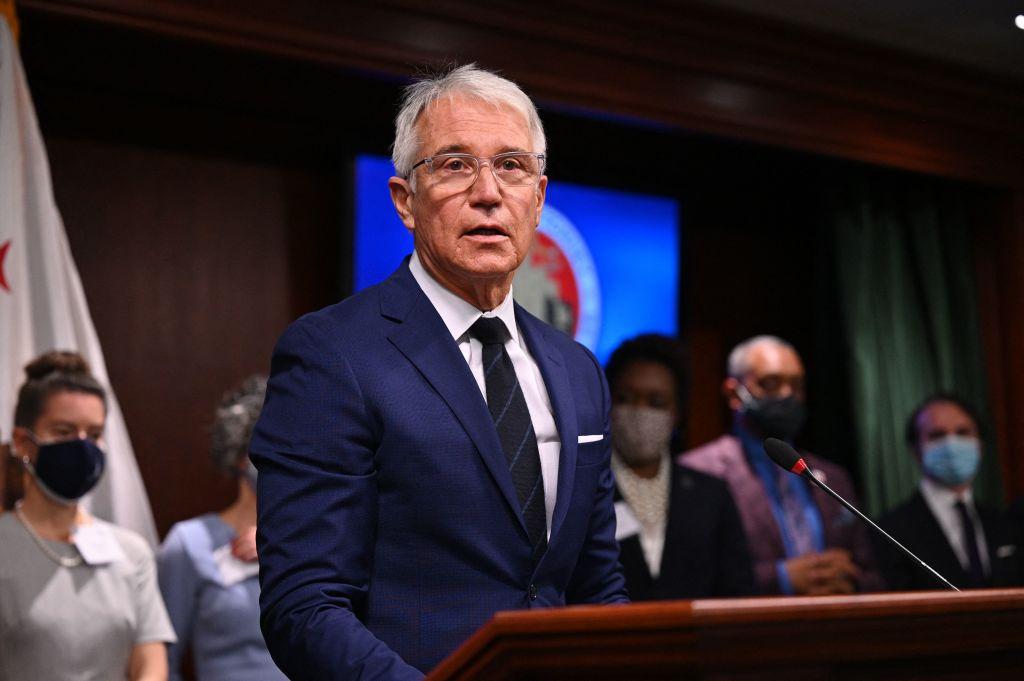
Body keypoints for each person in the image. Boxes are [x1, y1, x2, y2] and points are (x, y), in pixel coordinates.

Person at [250, 64, 627, 680]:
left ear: (538, 195)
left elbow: (596, 584)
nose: (487, 192)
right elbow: (305, 605)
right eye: (455, 165)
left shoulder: (578, 369)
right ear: (405, 201)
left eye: (511, 165)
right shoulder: (331, 353)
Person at [0, 350, 175, 680]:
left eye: (94, 434)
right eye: (64, 432)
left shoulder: (131, 551)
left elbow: (149, 658)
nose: (82, 447)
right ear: (23, 442)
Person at [680, 335, 882, 595]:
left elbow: (875, 574)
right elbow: (692, 577)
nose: (787, 395)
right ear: (733, 393)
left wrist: (849, 579)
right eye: (771, 383)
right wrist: (781, 578)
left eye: (796, 385)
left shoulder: (833, 478)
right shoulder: (697, 473)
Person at [605, 334, 755, 600]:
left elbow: (738, 590)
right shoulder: (585, 489)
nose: (640, 411)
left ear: (677, 414)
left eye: (656, 402)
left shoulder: (711, 495)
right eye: (626, 398)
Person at [157, 375, 287, 681]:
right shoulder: (189, 543)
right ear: (242, 455)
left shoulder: (316, 539)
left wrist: (280, 546)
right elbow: (163, 662)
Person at [875, 394, 1023, 590]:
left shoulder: (1005, 524)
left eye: (963, 432)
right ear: (915, 450)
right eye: (937, 435)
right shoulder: (887, 531)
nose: (952, 444)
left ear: (979, 445)